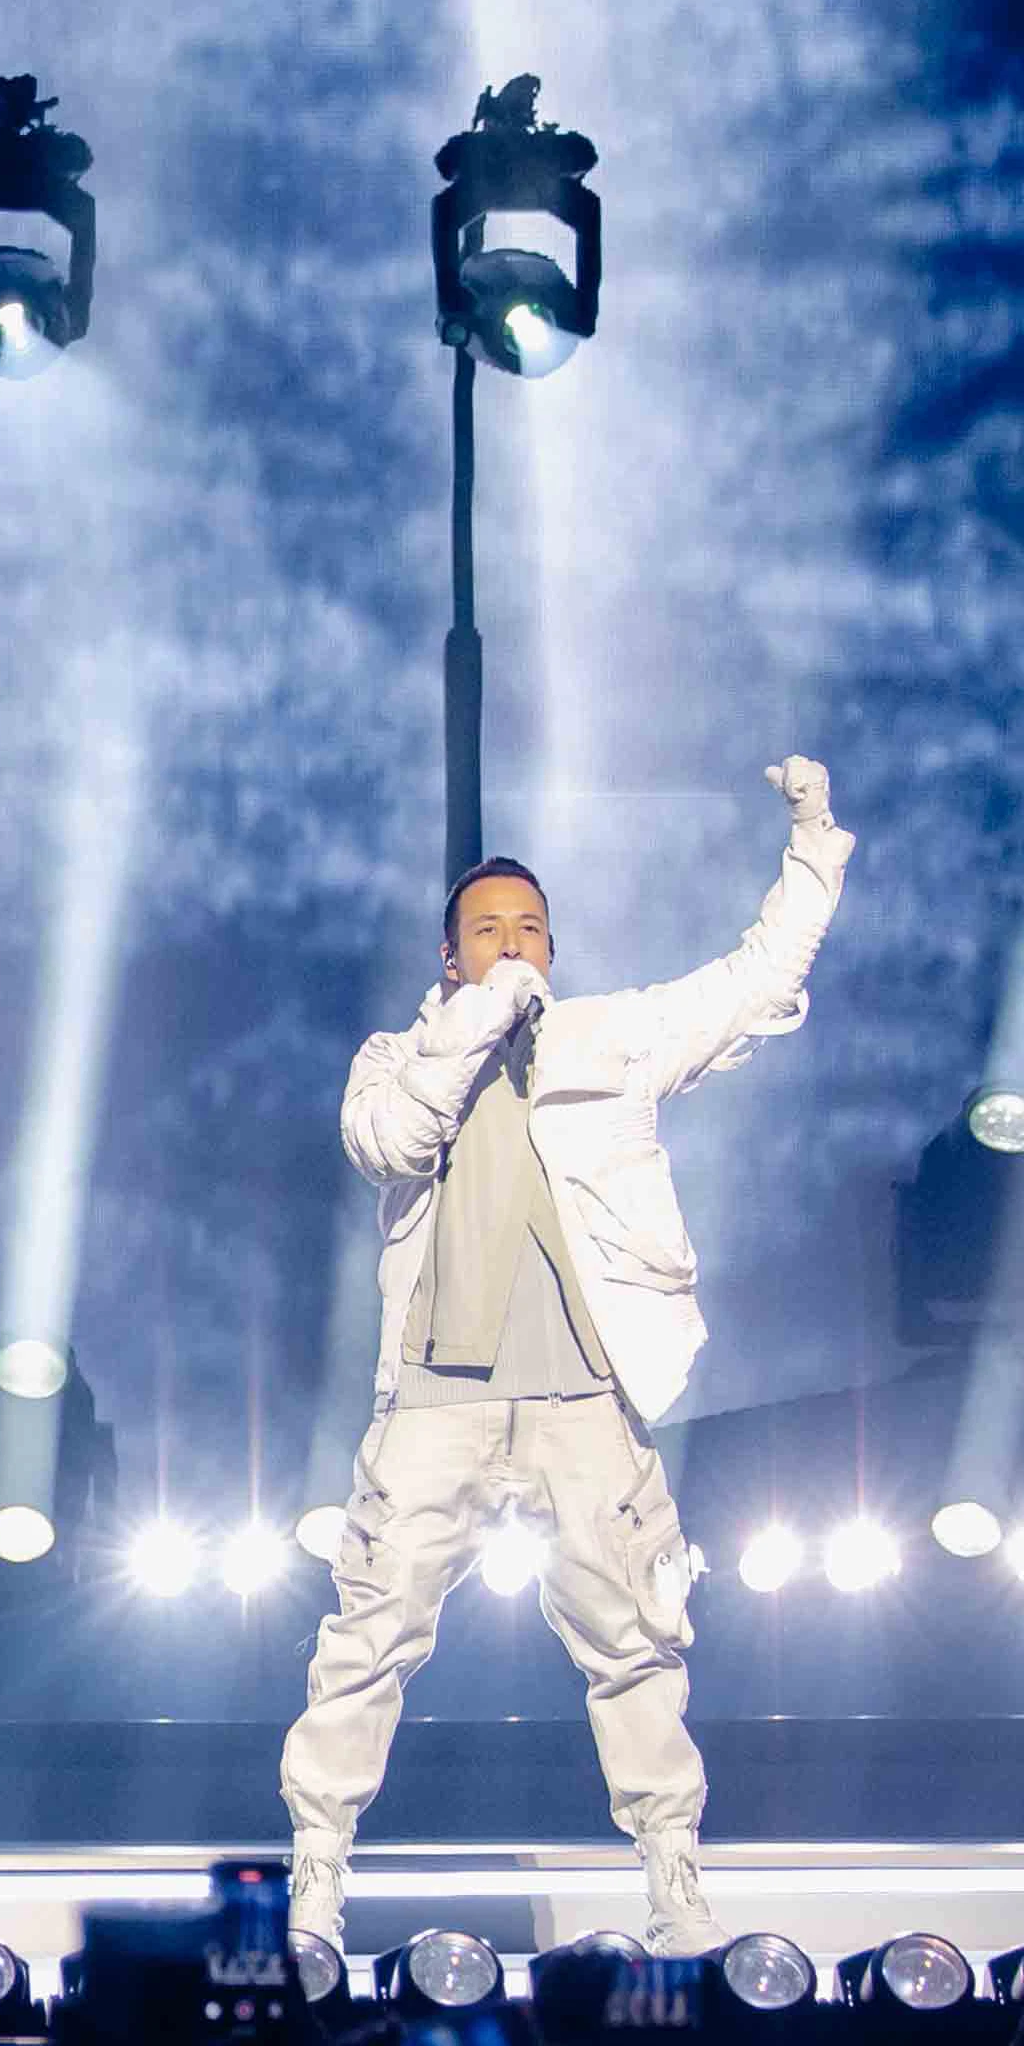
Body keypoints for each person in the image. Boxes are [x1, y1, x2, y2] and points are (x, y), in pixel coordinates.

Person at [281, 764, 853, 1954]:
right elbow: (389, 1144)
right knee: (367, 1639)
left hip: (585, 1397)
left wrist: (812, 844)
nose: (513, 944)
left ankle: (674, 1879)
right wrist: (472, 1024)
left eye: (531, 928)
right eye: (488, 930)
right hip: (434, 1399)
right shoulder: (395, 1057)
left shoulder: (608, 1039)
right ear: (448, 956)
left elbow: (754, 979)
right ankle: (315, 1874)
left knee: (638, 1642)